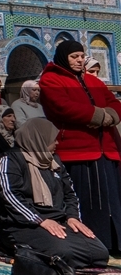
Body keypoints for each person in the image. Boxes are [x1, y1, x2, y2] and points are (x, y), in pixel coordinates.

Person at [39, 40, 121, 254]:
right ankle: (93, 244)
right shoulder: (51, 79)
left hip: (105, 150)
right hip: (78, 151)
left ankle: (115, 243)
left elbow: (114, 103)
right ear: (64, 57)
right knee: (89, 203)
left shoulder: (91, 80)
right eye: (74, 56)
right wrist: (98, 115)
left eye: (81, 56)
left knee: (112, 202)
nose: (79, 60)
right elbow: (64, 107)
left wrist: (109, 116)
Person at [0, 118, 109, 269]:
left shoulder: (54, 161)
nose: (57, 144)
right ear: (39, 140)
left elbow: (70, 194)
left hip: (57, 222)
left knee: (99, 254)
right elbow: (10, 195)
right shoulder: (11, 160)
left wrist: (73, 217)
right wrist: (40, 220)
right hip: (24, 224)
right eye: (53, 140)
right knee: (63, 254)